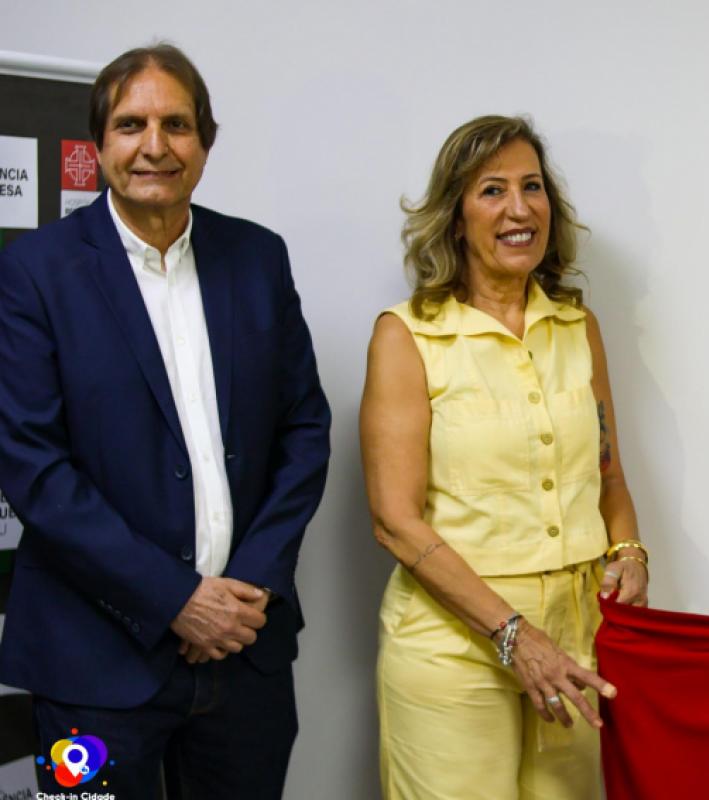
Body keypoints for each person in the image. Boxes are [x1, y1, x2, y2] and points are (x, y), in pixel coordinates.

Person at [0, 44, 331, 798]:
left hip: (245, 660)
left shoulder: (257, 258)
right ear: (98, 145)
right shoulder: (34, 273)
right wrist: (175, 598)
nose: (155, 145)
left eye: (177, 124)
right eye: (131, 124)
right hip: (89, 671)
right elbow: (35, 468)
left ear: (205, 143)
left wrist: (250, 584)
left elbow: (304, 430)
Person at [361, 114, 647, 800]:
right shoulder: (409, 336)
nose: (519, 209)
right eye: (492, 190)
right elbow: (394, 522)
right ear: (456, 218)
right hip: (454, 647)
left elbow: (607, 476)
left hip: (577, 640)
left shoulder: (579, 328)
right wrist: (515, 636)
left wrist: (631, 551)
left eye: (532, 187)